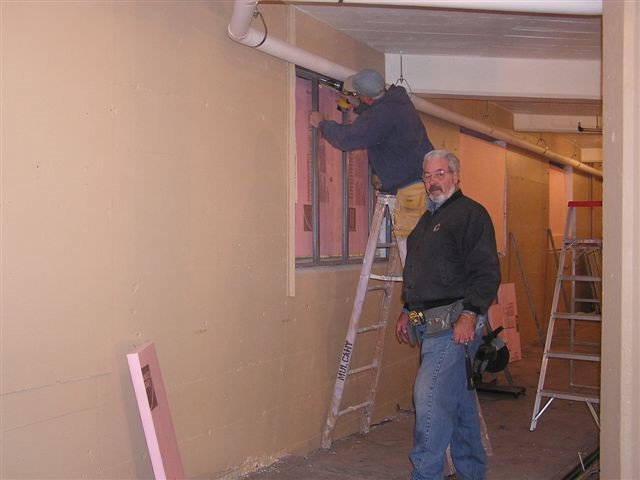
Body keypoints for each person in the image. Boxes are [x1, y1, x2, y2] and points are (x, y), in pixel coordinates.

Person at [395, 149, 501, 480]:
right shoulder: (429, 221)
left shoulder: (471, 214)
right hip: (430, 326)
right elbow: (420, 275)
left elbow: (486, 271)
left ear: (456, 175)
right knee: (460, 407)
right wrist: (407, 312)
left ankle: (424, 475)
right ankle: (472, 474)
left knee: (428, 403)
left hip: (454, 328)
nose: (432, 182)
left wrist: (470, 314)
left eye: (439, 174)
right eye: (427, 176)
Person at [309, 68, 434, 238]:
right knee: (419, 245)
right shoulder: (399, 99)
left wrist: (322, 123)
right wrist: (360, 106)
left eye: (359, 95)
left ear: (367, 98)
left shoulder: (379, 116)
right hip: (424, 182)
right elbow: (382, 121)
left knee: (413, 248)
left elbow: (347, 138)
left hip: (412, 190)